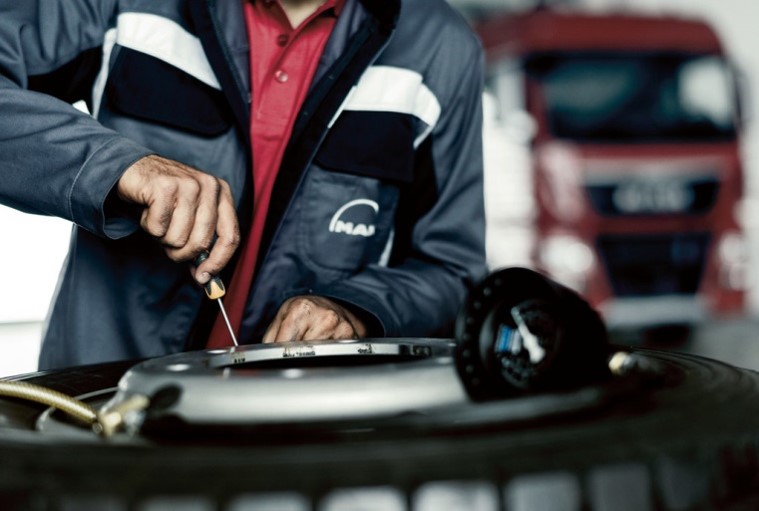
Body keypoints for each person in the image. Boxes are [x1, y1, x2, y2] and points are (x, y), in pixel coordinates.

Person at [0, 0, 486, 369]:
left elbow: (450, 270)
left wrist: (357, 311)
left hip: (302, 436)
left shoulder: (441, 49)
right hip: (101, 406)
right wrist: (117, 166)